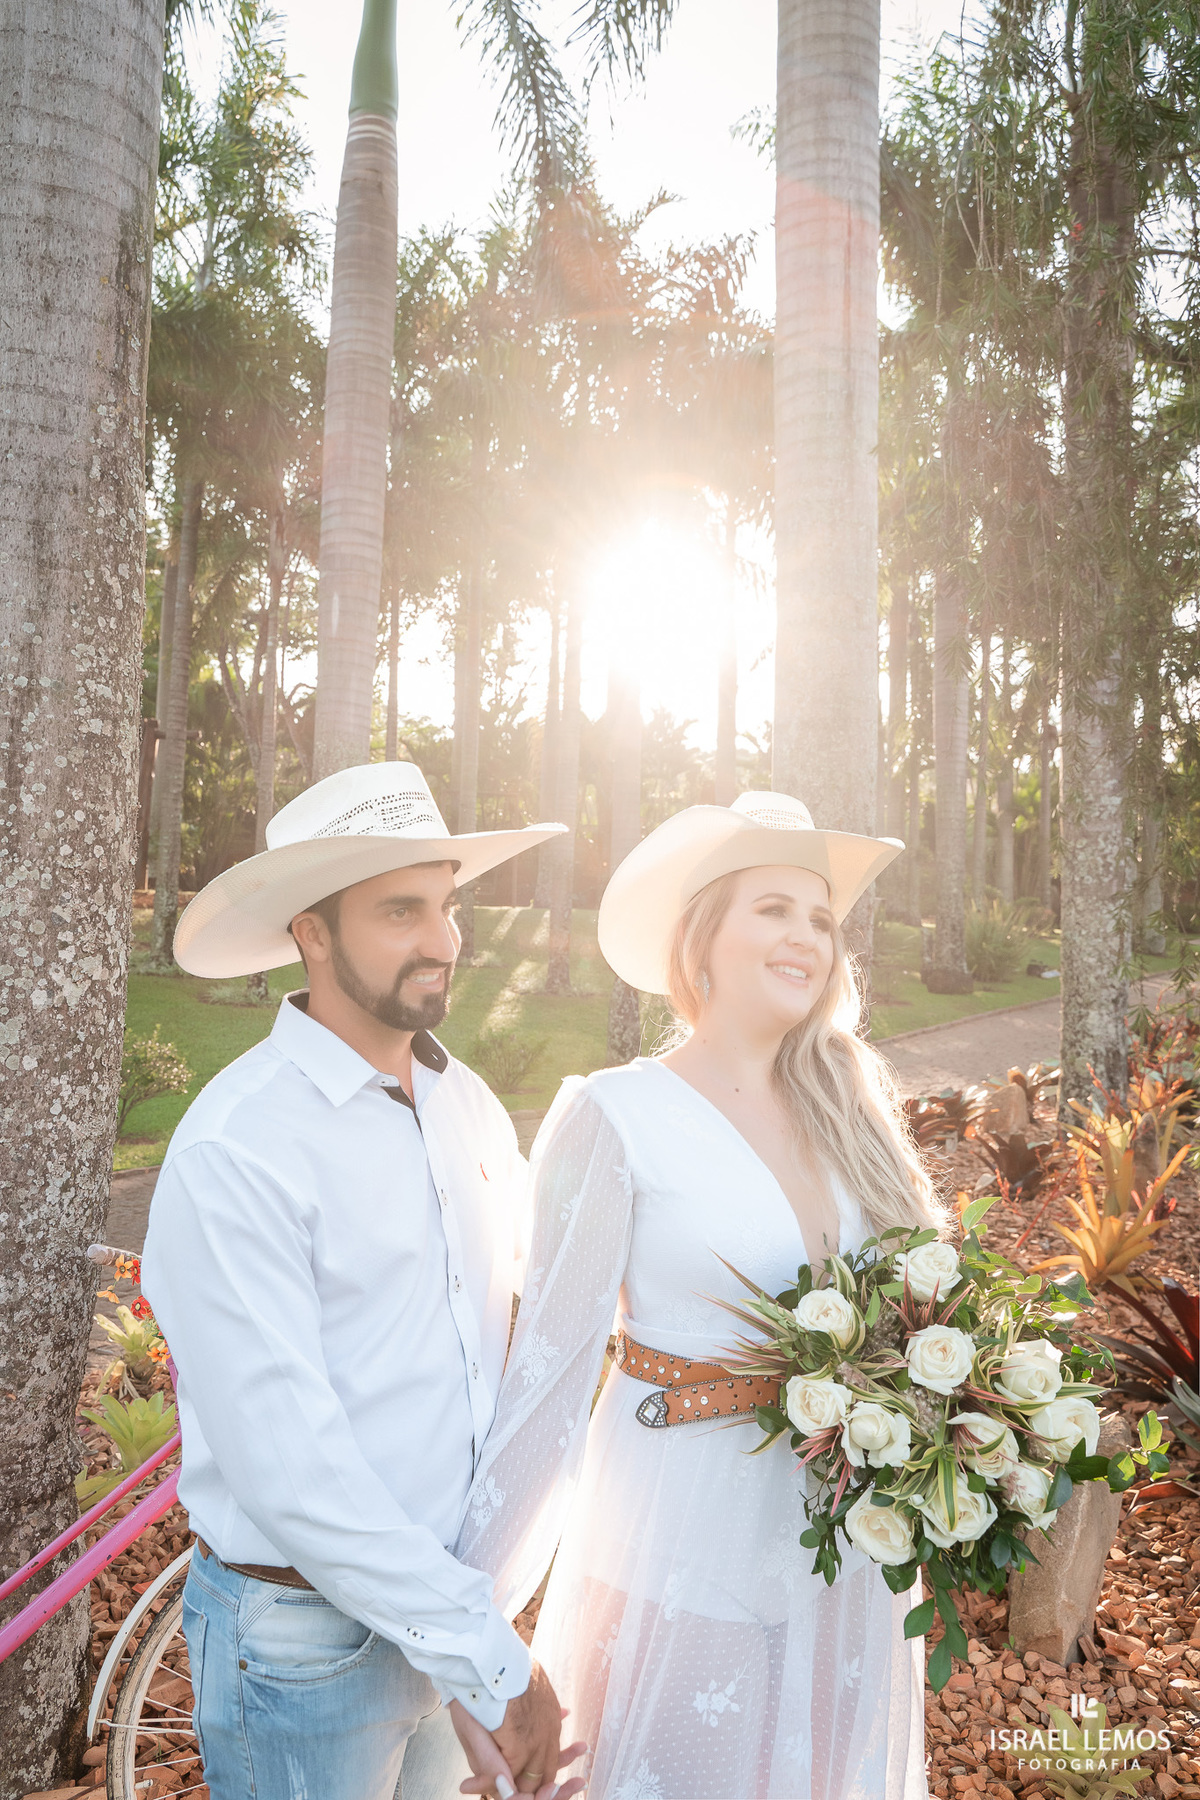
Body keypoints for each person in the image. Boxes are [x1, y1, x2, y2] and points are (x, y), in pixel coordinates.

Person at [456, 790, 946, 1800]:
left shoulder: (853, 1112)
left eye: (821, 919)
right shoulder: (620, 1115)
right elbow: (548, 1379)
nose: (806, 935)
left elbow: (922, 1322)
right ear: (705, 936)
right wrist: (477, 1639)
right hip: (683, 1539)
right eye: (774, 908)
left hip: (847, 1551)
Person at [141, 760, 584, 1800]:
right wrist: (489, 1656)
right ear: (311, 930)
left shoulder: (466, 1105)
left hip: (443, 1617)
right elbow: (293, 1472)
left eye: (446, 903)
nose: (443, 939)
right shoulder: (239, 1148)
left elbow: (497, 1348)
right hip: (304, 1647)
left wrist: (474, 1634)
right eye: (399, 910)